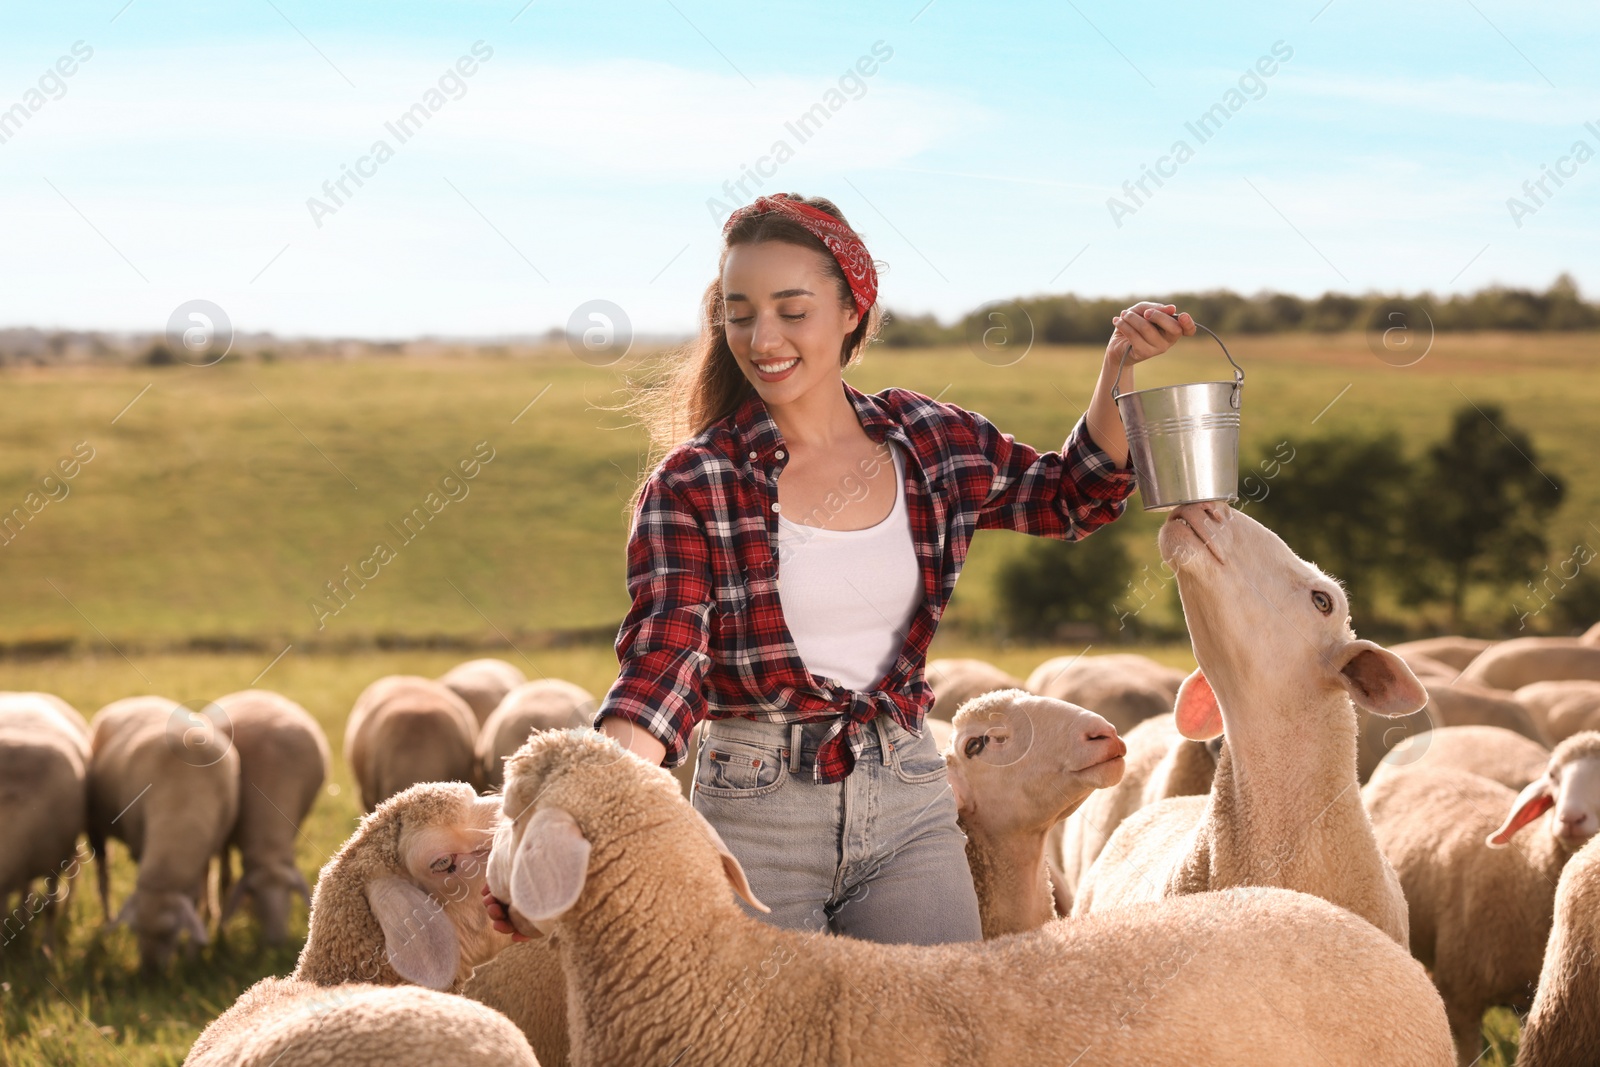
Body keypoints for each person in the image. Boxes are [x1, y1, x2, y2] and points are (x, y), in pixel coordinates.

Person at [489, 192, 1192, 945]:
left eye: (793, 310)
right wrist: (593, 801)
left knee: (932, 1033)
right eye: (740, 312)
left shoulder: (929, 443)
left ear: (852, 310)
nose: (763, 338)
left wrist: (1119, 367)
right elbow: (665, 666)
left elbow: (1071, 496)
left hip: (910, 798)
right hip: (757, 815)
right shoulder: (694, 483)